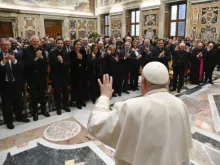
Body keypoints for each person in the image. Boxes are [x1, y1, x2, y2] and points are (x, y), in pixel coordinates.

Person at [88, 62, 192, 165]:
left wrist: (105, 96)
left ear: (143, 82)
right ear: (168, 81)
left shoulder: (131, 107)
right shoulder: (180, 104)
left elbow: (95, 124)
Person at [0, 38, 30, 129]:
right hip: (4, 84)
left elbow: (22, 68)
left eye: (8, 45)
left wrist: (14, 61)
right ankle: (9, 121)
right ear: (1, 45)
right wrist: (2, 63)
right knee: (7, 104)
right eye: (4, 45)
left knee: (18, 101)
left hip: (16, 83)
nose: (6, 46)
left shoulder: (16, 54)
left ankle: (19, 117)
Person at [22, 35, 50, 121]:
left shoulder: (41, 49)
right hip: (32, 77)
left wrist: (41, 57)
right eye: (34, 41)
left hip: (41, 76)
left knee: (42, 94)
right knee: (34, 95)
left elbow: (46, 63)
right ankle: (35, 112)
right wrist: (37, 58)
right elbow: (26, 65)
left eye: (37, 41)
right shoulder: (26, 51)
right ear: (31, 42)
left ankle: (43, 110)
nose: (36, 43)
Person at [49, 39, 71, 115]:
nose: (60, 44)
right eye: (58, 43)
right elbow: (51, 64)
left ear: (63, 44)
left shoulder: (66, 52)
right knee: (57, 92)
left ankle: (66, 105)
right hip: (56, 75)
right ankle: (58, 107)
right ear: (56, 44)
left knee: (66, 91)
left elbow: (68, 64)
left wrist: (61, 62)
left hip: (64, 75)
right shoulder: (52, 53)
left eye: (61, 43)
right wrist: (59, 62)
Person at [69, 40, 87, 109]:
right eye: (77, 44)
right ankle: (77, 102)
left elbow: (85, 62)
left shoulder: (83, 52)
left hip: (82, 72)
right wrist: (78, 59)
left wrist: (81, 59)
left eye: (80, 44)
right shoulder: (71, 53)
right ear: (74, 45)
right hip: (75, 73)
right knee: (76, 87)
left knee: (82, 86)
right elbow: (71, 64)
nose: (78, 46)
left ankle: (82, 100)